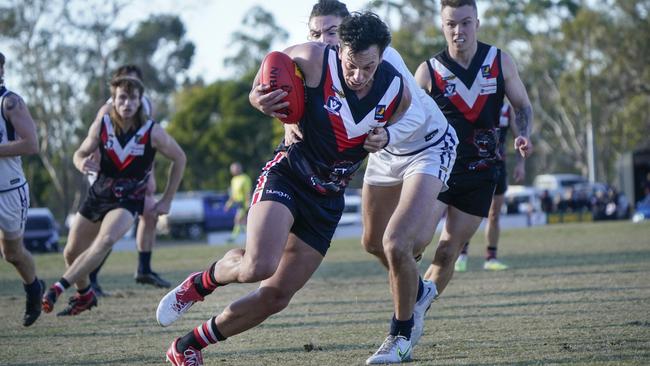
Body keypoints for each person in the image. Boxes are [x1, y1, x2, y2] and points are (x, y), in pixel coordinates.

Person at [157, 12, 411, 366]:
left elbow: (398, 117)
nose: (358, 76)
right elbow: (266, 76)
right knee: (257, 266)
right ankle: (198, 285)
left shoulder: (396, 89)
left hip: (328, 199)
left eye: (368, 67)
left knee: (275, 296)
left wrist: (387, 136)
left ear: (381, 57)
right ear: (340, 50)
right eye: (352, 65)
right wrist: (256, 99)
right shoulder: (312, 59)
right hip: (289, 175)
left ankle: (188, 345)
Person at [250, 2, 456, 363]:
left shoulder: (384, 60)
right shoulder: (326, 64)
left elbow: (416, 114)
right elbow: (275, 75)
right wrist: (263, 100)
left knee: (397, 244)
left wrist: (388, 135)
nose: (323, 40)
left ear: (348, 31)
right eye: (316, 34)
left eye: (331, 32)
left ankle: (401, 335)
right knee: (373, 243)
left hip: (425, 146)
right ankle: (419, 290)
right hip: (383, 152)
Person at [416, 0, 533, 314]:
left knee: (446, 254)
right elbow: (409, 124)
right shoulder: (428, 72)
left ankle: (412, 315)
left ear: (477, 23)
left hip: (482, 174)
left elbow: (522, 107)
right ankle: (408, 301)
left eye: (465, 23)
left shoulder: (499, 61)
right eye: (451, 24)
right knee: (413, 242)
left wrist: (524, 135)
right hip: (437, 171)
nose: (458, 31)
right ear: (442, 26)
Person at [41, 76, 186, 316]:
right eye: (122, 97)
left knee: (105, 240)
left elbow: (180, 157)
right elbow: (80, 152)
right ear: (114, 100)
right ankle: (85, 295)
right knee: (70, 252)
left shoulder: (152, 131)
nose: (127, 103)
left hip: (129, 199)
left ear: (140, 102)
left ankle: (57, 288)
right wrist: (80, 162)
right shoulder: (102, 125)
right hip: (99, 194)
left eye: (133, 98)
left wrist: (167, 199)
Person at [87, 65, 172, 295]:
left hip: (134, 177)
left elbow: (146, 145)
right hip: (108, 177)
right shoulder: (107, 109)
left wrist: (151, 176)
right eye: (124, 85)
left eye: (134, 85)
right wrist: (90, 165)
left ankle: (144, 269)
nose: (129, 92)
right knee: (108, 233)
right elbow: (96, 140)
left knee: (151, 213)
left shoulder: (146, 105)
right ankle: (90, 279)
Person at [0, 51, 44, 327]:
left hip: (9, 191)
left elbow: (32, 144)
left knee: (12, 254)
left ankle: (33, 288)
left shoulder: (10, 102)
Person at [455, 102, 525, 272]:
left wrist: (521, 164)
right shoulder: (477, 102)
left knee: (494, 214)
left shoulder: (507, 110)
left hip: (498, 167)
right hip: (474, 164)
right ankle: (461, 255)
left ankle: (491, 258)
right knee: (467, 211)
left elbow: (519, 139)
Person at [224, 162, 252, 243]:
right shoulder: (233, 180)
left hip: (244, 203)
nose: (234, 170)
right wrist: (228, 204)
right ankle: (250, 237)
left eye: (236, 168)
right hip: (238, 203)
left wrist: (248, 203)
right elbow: (233, 194)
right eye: (232, 169)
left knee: (238, 219)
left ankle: (233, 237)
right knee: (243, 222)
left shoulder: (245, 178)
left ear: (240, 168)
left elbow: (248, 192)